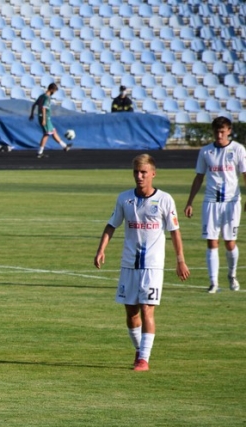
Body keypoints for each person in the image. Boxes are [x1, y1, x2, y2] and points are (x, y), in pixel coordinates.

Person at [94, 154, 190, 372]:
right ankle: (140, 351)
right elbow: (112, 225)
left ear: (153, 174)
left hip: (152, 266)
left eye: (144, 172)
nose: (139, 176)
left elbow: (174, 231)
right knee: (131, 312)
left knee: (147, 309)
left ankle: (144, 360)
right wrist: (101, 250)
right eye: (136, 172)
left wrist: (180, 260)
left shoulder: (165, 200)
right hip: (129, 263)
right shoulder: (124, 199)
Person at [184, 115, 246, 293]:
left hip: (231, 202)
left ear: (229, 131)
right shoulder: (206, 152)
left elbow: (244, 174)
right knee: (212, 242)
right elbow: (199, 177)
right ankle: (213, 283)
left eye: (222, 131)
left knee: (230, 242)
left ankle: (232, 276)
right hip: (211, 201)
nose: (219, 135)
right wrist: (190, 202)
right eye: (216, 132)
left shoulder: (238, 150)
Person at [29, 83, 71, 158]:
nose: (54, 93)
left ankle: (65, 146)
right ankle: (39, 152)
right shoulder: (47, 98)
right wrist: (44, 119)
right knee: (47, 134)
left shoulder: (41, 96)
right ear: (51, 89)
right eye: (54, 91)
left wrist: (32, 114)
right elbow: (43, 108)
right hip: (45, 118)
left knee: (53, 131)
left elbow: (34, 105)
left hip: (44, 117)